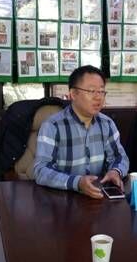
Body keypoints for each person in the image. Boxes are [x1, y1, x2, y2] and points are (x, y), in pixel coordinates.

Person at [33, 65, 129, 199]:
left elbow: (120, 157)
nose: (98, 97)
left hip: (98, 198)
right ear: (73, 94)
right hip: (62, 199)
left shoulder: (106, 124)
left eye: (102, 91)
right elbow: (41, 170)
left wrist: (115, 171)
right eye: (91, 91)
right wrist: (77, 182)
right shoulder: (53, 126)